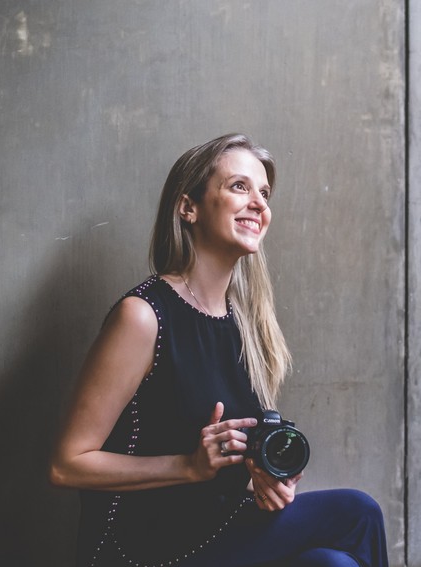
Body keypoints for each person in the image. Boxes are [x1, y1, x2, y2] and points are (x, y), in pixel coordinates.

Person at [50, 134, 389, 567]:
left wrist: (261, 479)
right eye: (239, 187)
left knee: (332, 565)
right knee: (358, 512)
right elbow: (66, 465)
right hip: (139, 549)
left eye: (264, 193)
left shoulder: (244, 325)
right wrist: (187, 466)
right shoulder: (143, 316)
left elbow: (220, 467)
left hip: (214, 535)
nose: (259, 204)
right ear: (188, 207)